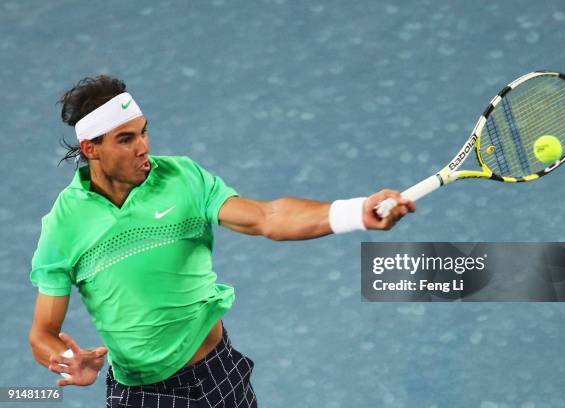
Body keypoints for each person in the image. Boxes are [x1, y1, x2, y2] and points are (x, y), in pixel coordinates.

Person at [28, 75, 415, 408]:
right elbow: (43, 331)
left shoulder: (184, 179)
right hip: (143, 395)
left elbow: (266, 218)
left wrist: (355, 212)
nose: (143, 147)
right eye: (126, 139)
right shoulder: (64, 225)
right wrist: (65, 359)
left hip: (220, 372)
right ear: (90, 149)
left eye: (144, 131)